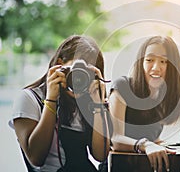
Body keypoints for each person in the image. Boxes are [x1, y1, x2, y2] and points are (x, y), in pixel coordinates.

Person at [9, 35, 111, 172]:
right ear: (59, 65)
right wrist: (51, 99)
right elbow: (36, 158)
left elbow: (100, 155)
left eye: (87, 73)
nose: (79, 79)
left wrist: (98, 102)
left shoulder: (89, 101)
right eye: (75, 71)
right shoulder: (30, 98)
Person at [109, 36, 180, 172]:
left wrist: (160, 144)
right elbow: (115, 139)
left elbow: (152, 136)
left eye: (163, 61)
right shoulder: (123, 86)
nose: (156, 67)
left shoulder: (164, 95)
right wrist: (145, 145)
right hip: (121, 166)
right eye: (149, 60)